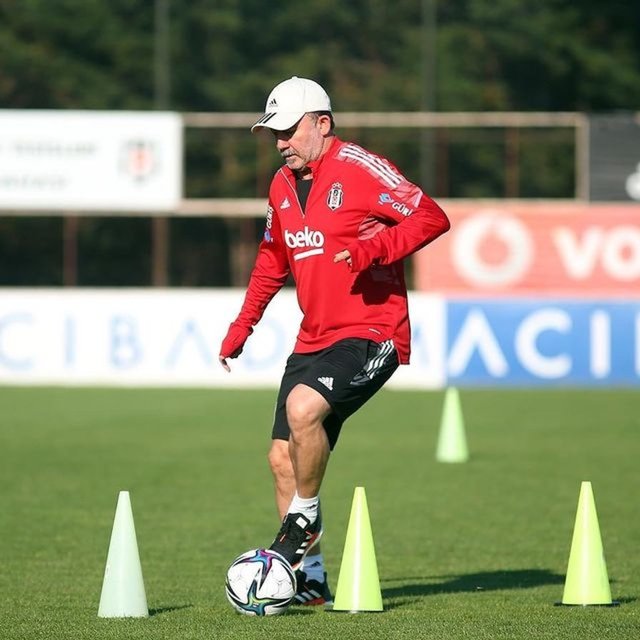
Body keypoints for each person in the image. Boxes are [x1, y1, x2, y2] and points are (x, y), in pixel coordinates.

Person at [219, 76, 450, 606]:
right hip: (313, 338)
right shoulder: (281, 186)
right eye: (274, 133)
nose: (280, 143)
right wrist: (242, 327)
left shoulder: (361, 167)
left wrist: (375, 249)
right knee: (281, 458)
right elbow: (271, 262)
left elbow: (431, 217)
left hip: (372, 332)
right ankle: (312, 579)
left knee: (303, 411)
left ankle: (301, 520)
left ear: (322, 124)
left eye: (288, 131)